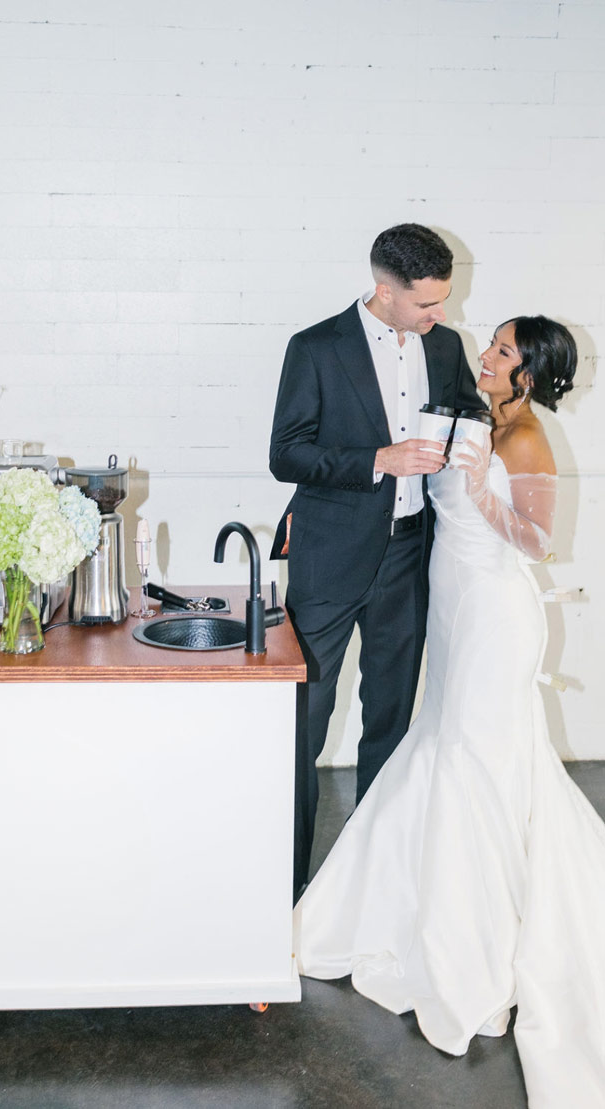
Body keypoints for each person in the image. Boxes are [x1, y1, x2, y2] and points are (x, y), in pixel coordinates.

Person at [294, 316, 605, 1107]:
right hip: (453, 604)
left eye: (503, 351)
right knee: (443, 745)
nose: (488, 355)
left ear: (527, 374)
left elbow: (535, 541)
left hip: (497, 615)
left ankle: (477, 943)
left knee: (477, 757)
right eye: (493, 343)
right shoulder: (478, 409)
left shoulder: (528, 436)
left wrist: (476, 491)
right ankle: (418, 899)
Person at [269, 224, 483, 900]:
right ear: (385, 291)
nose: (440, 315)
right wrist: (377, 461)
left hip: (409, 556)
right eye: (427, 303)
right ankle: (285, 888)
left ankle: (368, 889)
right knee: (303, 723)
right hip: (329, 559)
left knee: (389, 722)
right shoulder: (314, 348)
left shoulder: (446, 346)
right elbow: (286, 453)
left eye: (443, 301)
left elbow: (470, 413)